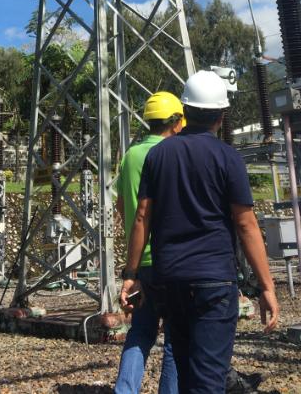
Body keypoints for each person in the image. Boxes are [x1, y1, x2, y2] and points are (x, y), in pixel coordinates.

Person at [119, 70, 279, 394]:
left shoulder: (158, 155)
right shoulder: (227, 157)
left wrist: (131, 274)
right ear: (222, 115)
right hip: (215, 281)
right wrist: (266, 286)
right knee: (208, 378)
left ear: (186, 111)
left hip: (171, 280)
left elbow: (141, 218)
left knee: (185, 366)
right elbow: (246, 225)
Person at [114, 91, 184, 394]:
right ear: (177, 122)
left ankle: (125, 390)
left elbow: (122, 207)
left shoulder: (130, 155)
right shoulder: (175, 153)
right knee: (175, 338)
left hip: (140, 262)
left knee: (140, 332)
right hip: (172, 259)